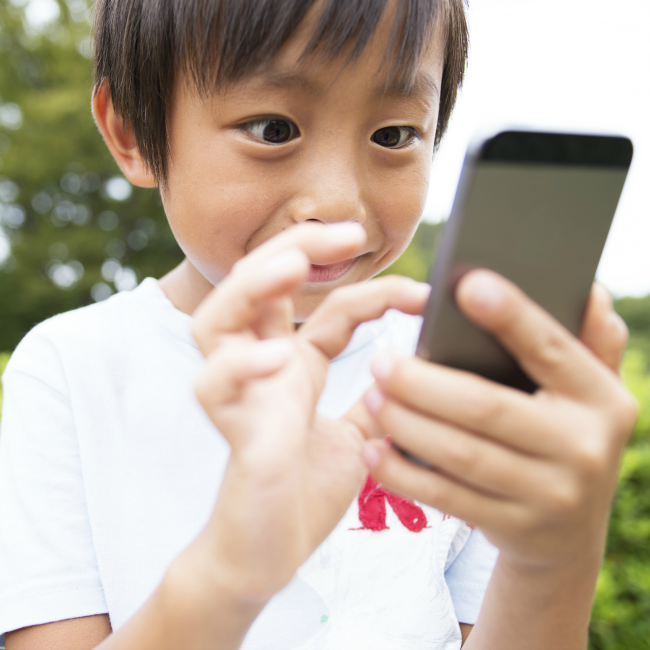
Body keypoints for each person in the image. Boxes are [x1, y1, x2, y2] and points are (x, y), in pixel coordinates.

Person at [0, 0, 637, 648]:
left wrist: (553, 554)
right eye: (274, 128)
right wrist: (230, 571)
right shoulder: (69, 369)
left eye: (393, 135)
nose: (339, 205)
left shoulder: (442, 378)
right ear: (134, 131)